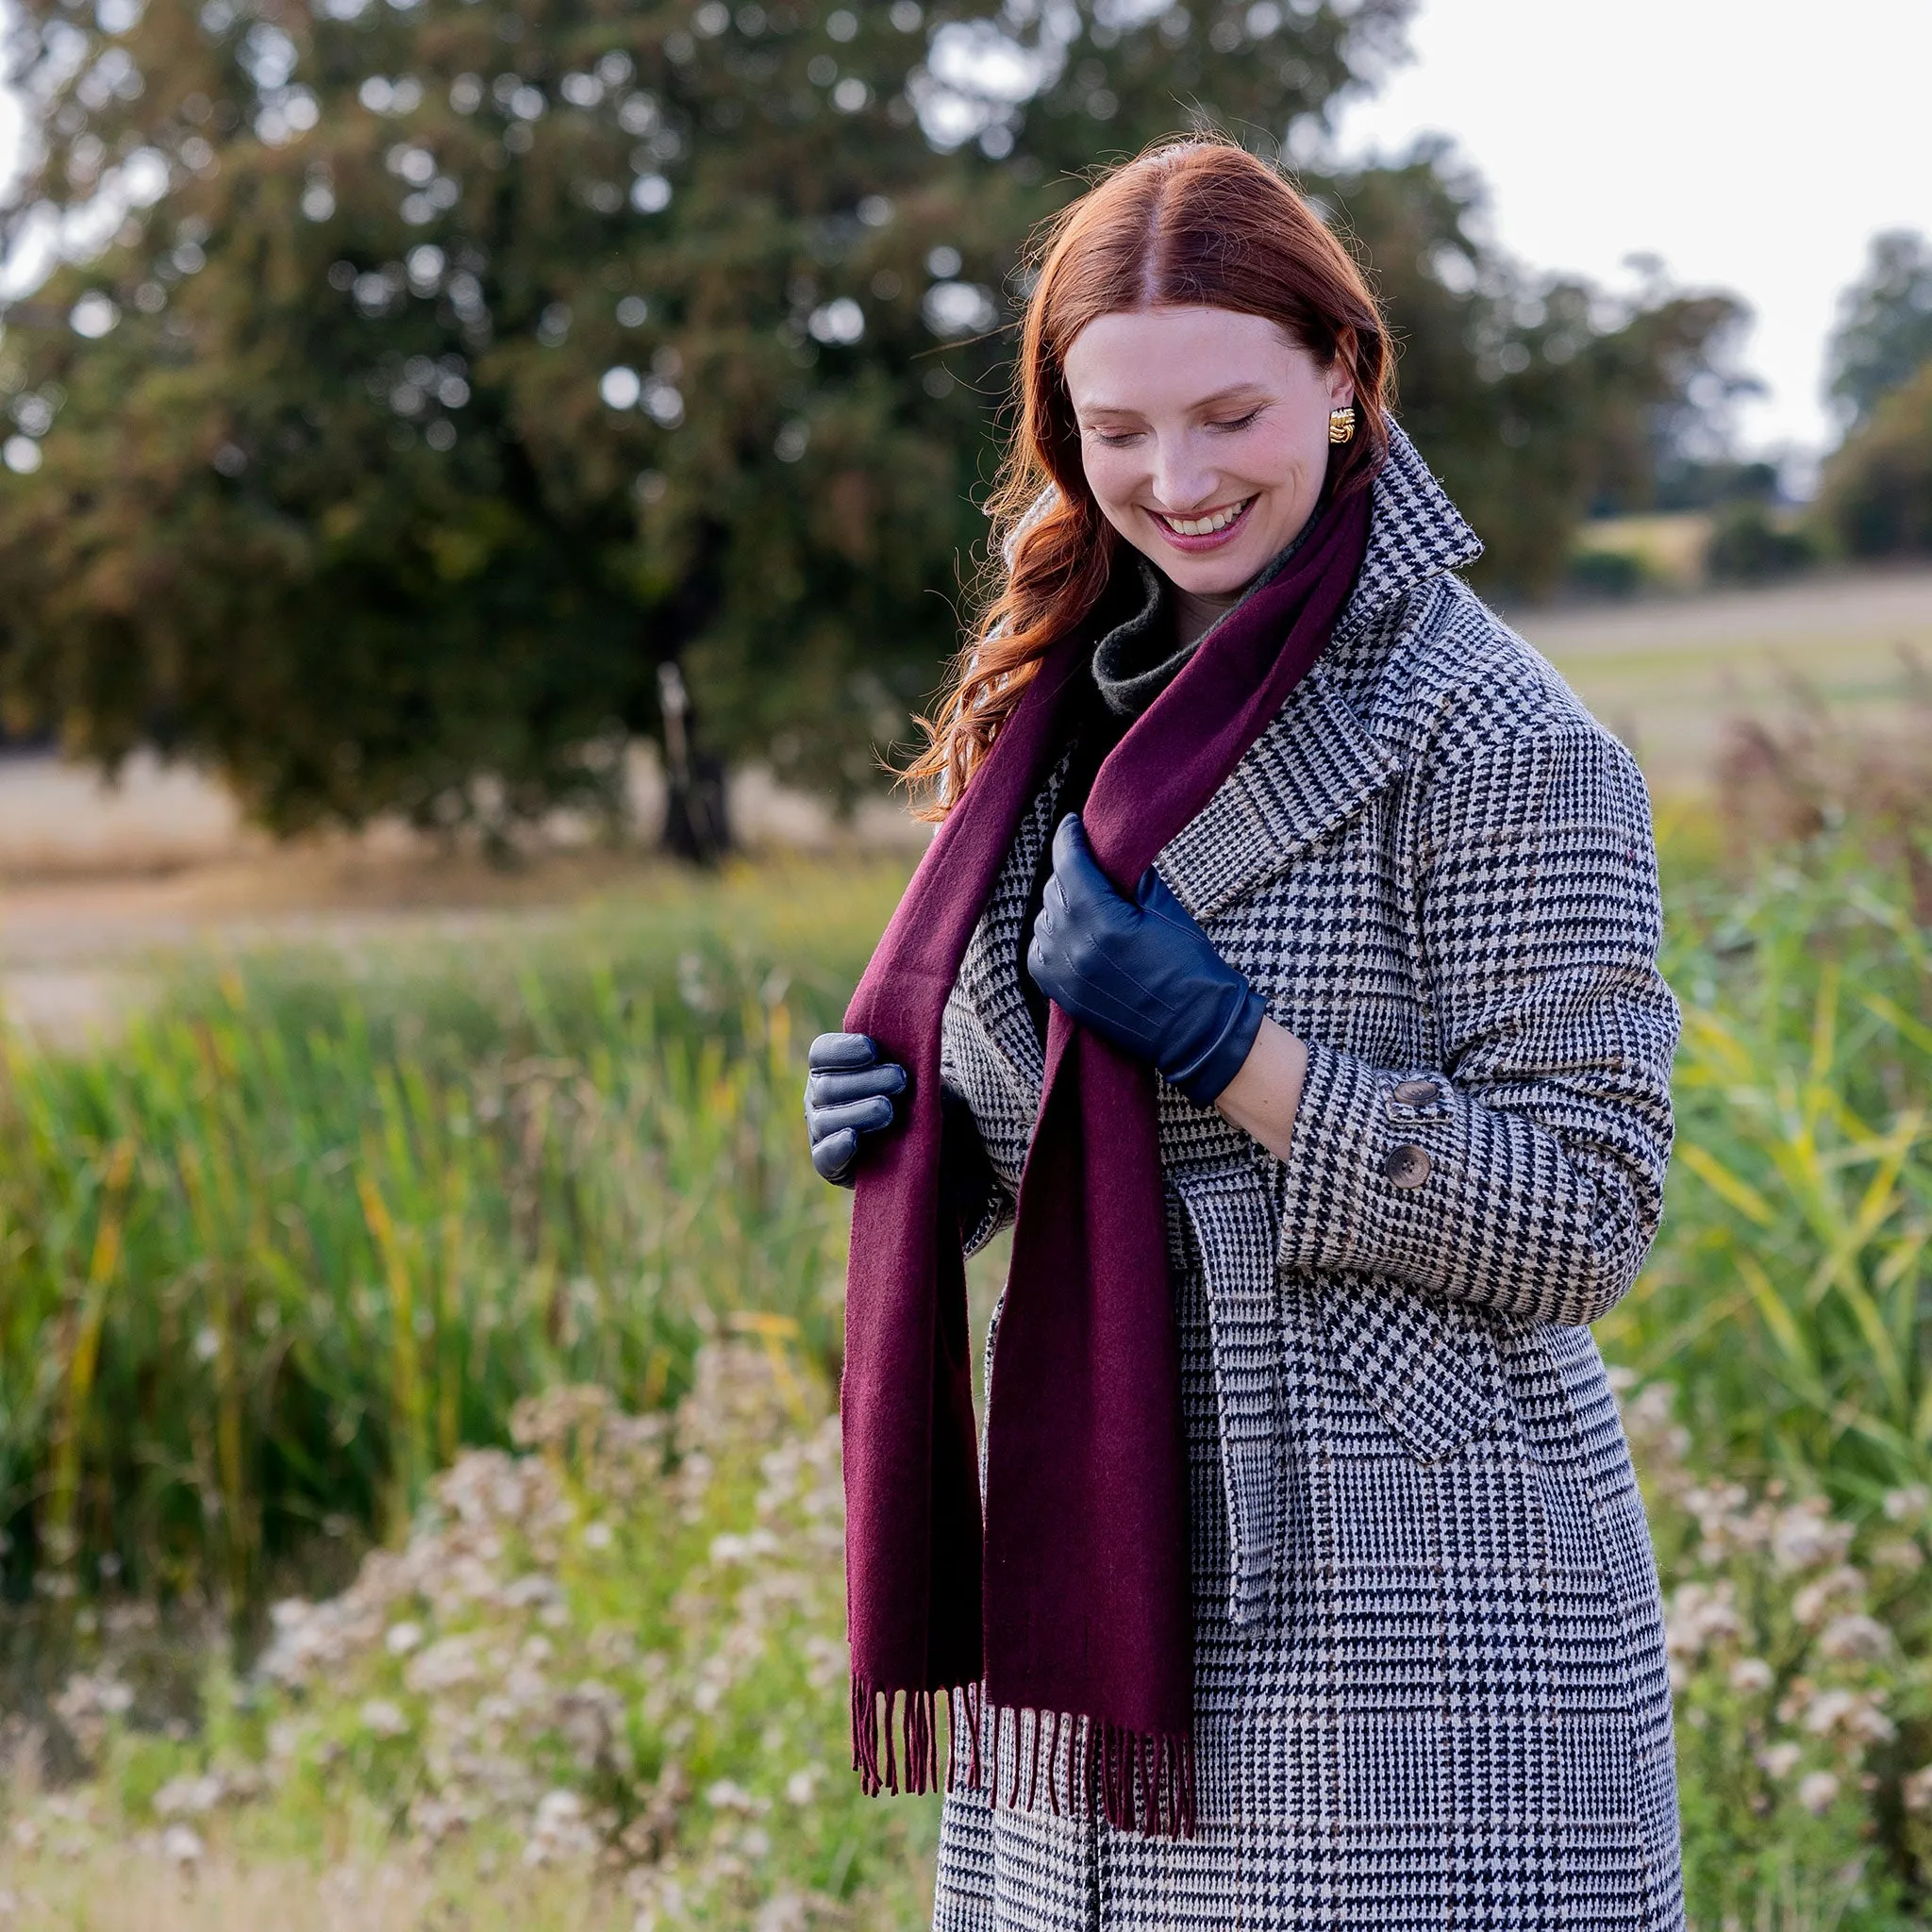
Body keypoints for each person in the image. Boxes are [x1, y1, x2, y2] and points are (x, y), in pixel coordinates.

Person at [805, 136, 1683, 1932]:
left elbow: (1589, 1210)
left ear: (1343, 380)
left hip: (1420, 1600)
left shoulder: (1489, 730)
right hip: (1096, 1520)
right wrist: (938, 1140)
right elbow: (1030, 1102)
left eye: (1228, 414)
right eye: (1115, 432)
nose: (1174, 479)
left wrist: (1230, 1045)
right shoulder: (1050, 703)